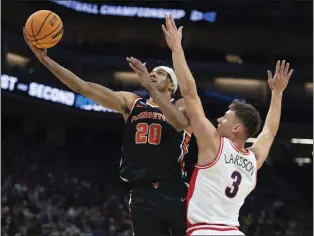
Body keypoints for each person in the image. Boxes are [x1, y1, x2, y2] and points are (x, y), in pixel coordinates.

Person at [23, 30, 192, 235]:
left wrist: (149, 86)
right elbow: (82, 87)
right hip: (140, 192)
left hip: (173, 189)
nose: (153, 74)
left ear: (172, 85)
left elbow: (179, 124)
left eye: (161, 73)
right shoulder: (132, 102)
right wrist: (45, 59)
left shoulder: (181, 105)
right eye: (152, 72)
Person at [161, 15, 293, 235]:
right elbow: (270, 131)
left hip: (205, 231)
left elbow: (190, 94)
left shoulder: (214, 145)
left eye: (225, 117)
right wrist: (277, 93)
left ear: (236, 128)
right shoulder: (253, 159)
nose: (219, 120)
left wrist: (176, 49)